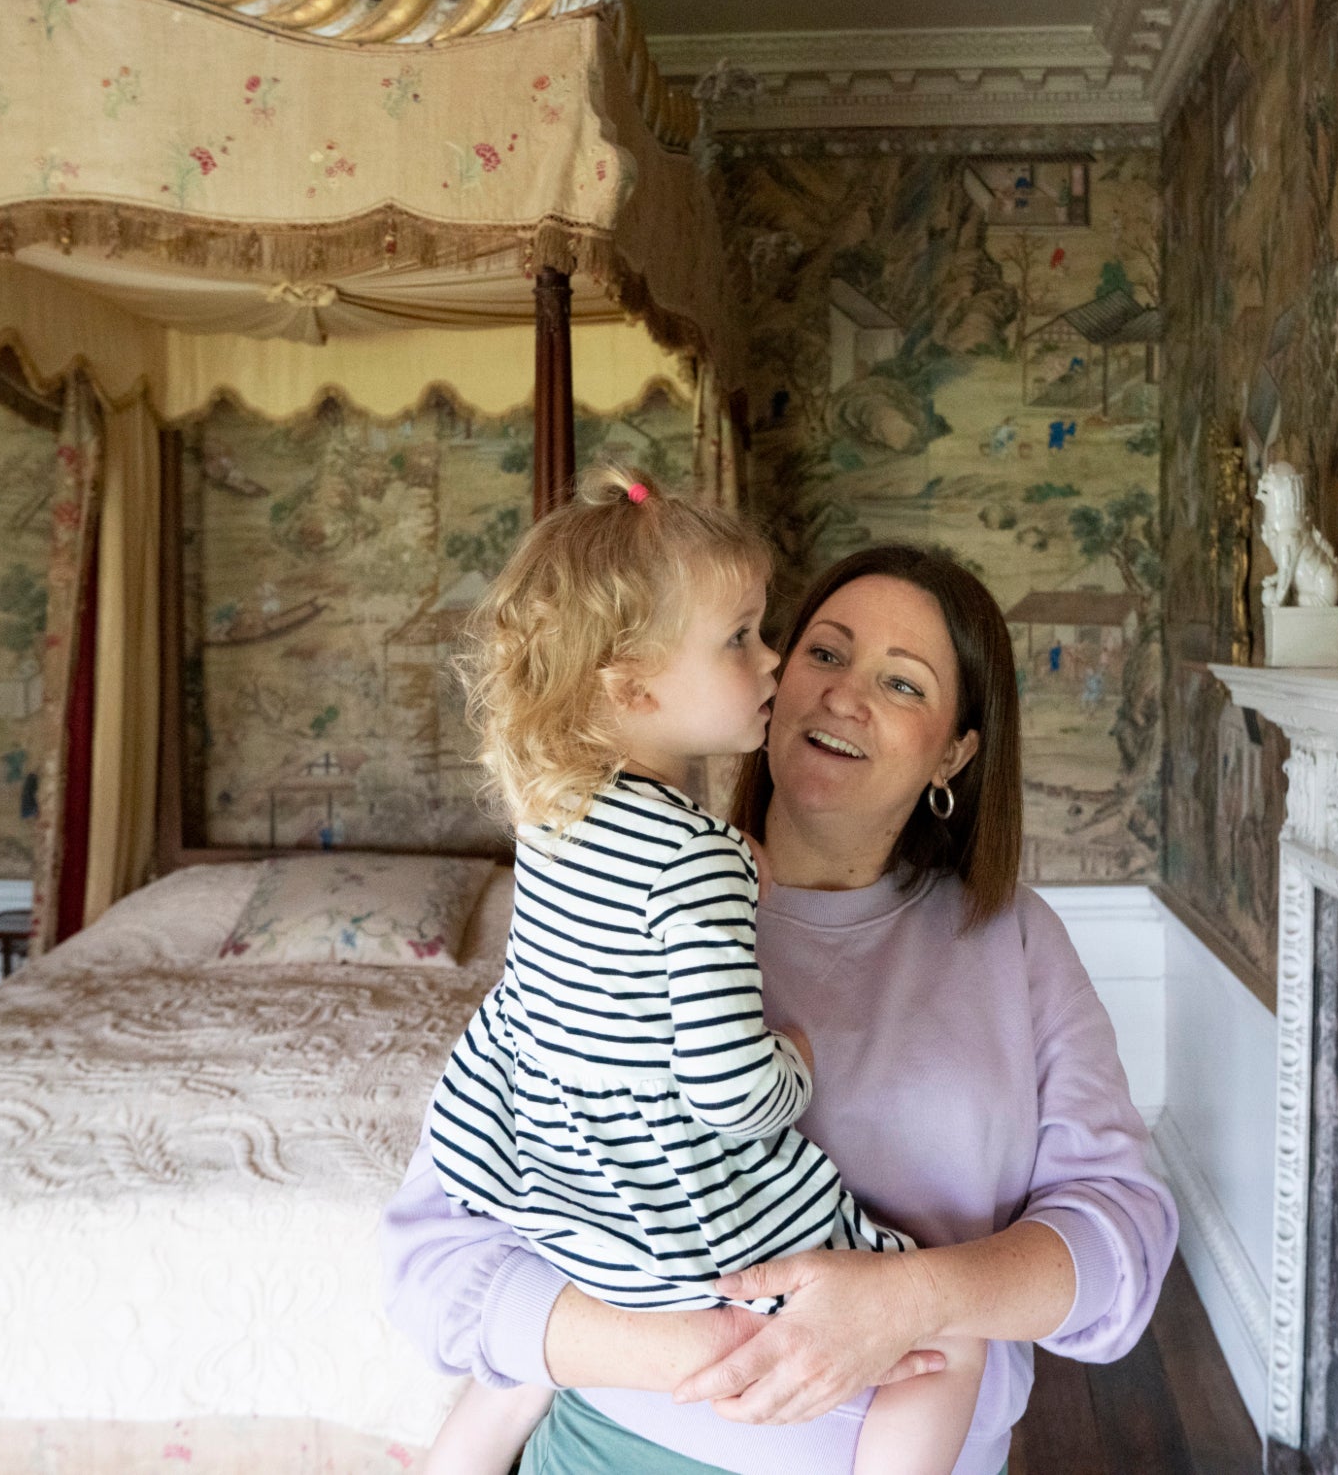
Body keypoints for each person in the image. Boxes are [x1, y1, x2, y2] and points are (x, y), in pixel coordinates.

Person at [381, 543, 1177, 1475]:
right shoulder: (635, 905)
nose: (845, 695)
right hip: (621, 1444)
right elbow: (431, 1264)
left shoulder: (1014, 942)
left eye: (904, 684)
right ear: (771, 681)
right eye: (826, 654)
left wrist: (911, 1300)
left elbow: (1121, 1243)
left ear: (955, 751)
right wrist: (708, 1353)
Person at [419, 483, 986, 1475]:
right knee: (953, 1341)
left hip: (562, 1193)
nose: (769, 659)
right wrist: (795, 1063)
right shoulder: (698, 865)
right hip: (691, 1222)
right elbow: (730, 1096)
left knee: (519, 1364)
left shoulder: (549, 816)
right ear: (634, 687)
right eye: (741, 639)